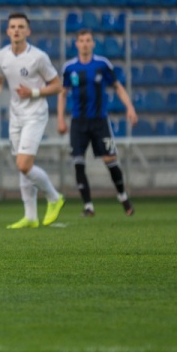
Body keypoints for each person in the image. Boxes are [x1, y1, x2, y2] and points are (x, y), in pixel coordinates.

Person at [0, 12, 65, 229]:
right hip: (16, 115)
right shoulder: (2, 56)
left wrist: (34, 93)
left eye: (21, 27)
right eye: (13, 27)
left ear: (28, 31)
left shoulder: (38, 57)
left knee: (24, 164)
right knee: (22, 166)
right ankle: (30, 216)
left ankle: (54, 197)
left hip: (35, 114)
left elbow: (57, 85)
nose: (16, 30)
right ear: (7, 31)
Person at [57, 28, 137, 217]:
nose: (85, 44)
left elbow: (117, 87)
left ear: (93, 43)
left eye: (88, 40)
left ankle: (123, 197)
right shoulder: (69, 68)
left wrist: (130, 107)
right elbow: (62, 93)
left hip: (100, 121)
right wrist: (60, 118)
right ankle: (88, 206)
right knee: (78, 162)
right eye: (82, 41)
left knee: (110, 160)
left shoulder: (102, 64)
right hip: (78, 122)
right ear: (76, 44)